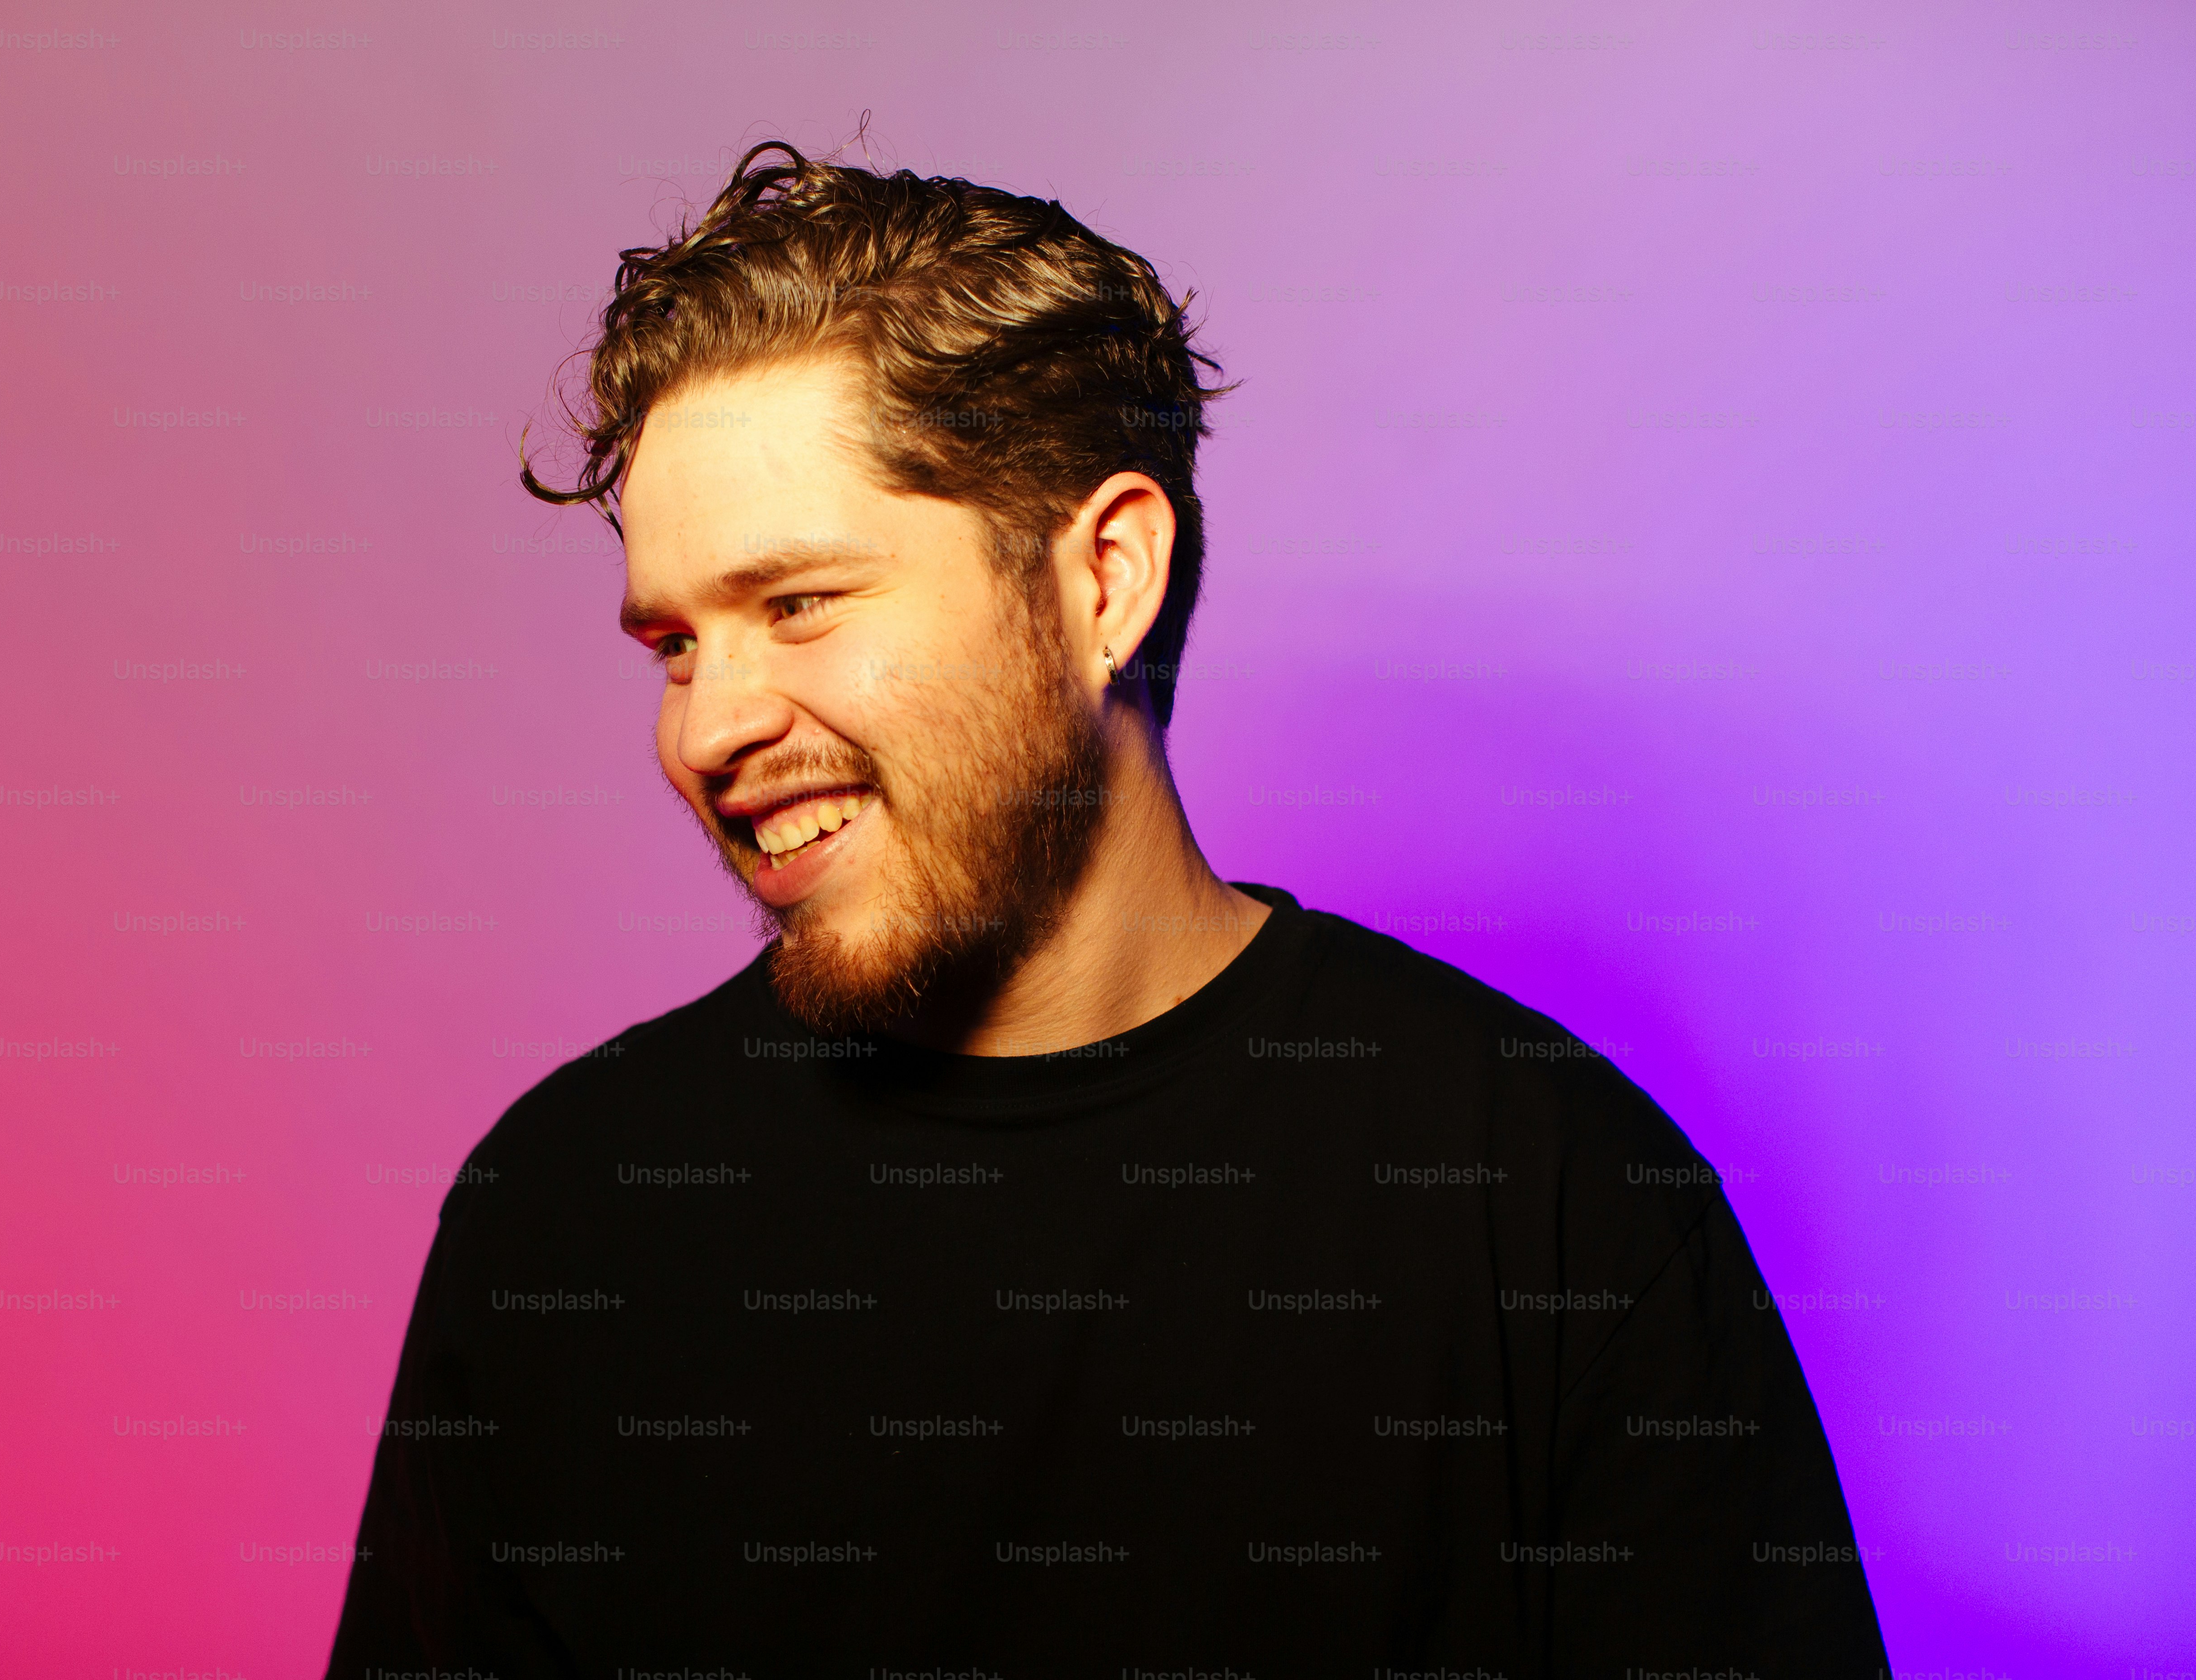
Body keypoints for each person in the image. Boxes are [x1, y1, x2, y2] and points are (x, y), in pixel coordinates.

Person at [328, 138, 1887, 1678]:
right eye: (674, 643)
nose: (704, 730)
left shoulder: (1540, 1190)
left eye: (796, 603)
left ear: (1102, 581)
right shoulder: (566, 1217)